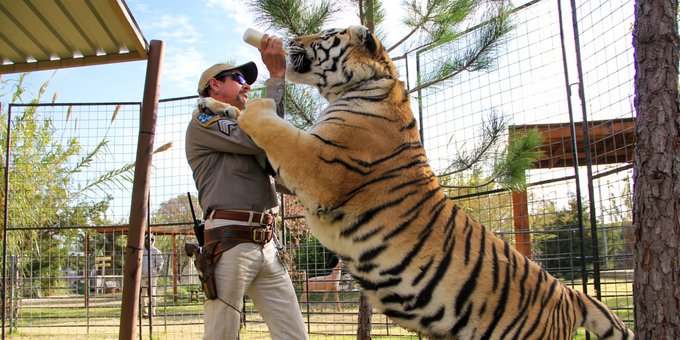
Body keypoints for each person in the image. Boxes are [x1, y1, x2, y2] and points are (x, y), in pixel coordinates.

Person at [185, 33, 307, 340]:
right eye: (238, 77)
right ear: (214, 84)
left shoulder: (243, 126)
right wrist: (276, 77)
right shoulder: (204, 121)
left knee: (294, 335)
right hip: (229, 241)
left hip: (268, 244)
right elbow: (263, 135)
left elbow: (279, 166)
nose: (247, 85)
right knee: (221, 335)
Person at [141, 233, 163, 318]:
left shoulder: (156, 251)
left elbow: (160, 263)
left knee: (152, 294)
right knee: (143, 295)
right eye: (147, 239)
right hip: (142, 276)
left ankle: (152, 312)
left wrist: (156, 271)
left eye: (151, 239)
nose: (148, 240)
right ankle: (144, 312)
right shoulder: (141, 250)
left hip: (152, 276)